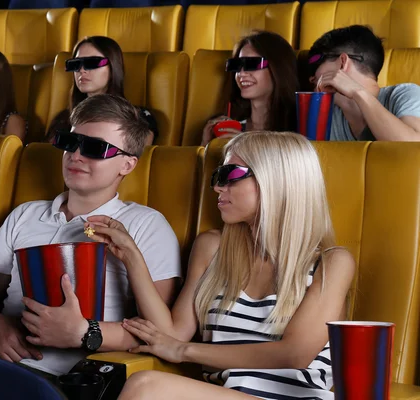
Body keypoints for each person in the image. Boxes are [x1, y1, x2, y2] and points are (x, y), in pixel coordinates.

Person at [86, 131, 355, 399]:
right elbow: (172, 334)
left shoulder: (331, 262)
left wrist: (183, 351)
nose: (217, 187)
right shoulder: (213, 248)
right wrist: (132, 256)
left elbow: (295, 353)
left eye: (231, 175)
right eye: (218, 177)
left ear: (276, 180)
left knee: (146, 387)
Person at [0, 94, 181, 377]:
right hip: (0, 369)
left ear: (128, 165)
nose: (76, 155)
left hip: (79, 380)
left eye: (95, 148)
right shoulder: (25, 215)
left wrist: (84, 333)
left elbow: (159, 334)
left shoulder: (146, 225)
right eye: (70, 142)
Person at [309, 25, 420, 141]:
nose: (311, 78)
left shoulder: (405, 94)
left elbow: (413, 147)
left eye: (315, 67)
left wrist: (357, 92)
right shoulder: (325, 117)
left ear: (342, 63)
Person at [46, 36, 158, 145]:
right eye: (75, 64)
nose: (82, 70)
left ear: (114, 66)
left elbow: (134, 161)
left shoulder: (139, 118)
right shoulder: (63, 119)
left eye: (92, 63)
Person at [201, 31, 299, 146]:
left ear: (279, 69)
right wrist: (206, 145)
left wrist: (244, 146)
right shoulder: (226, 127)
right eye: (236, 65)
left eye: (252, 64)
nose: (241, 73)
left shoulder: (298, 128)